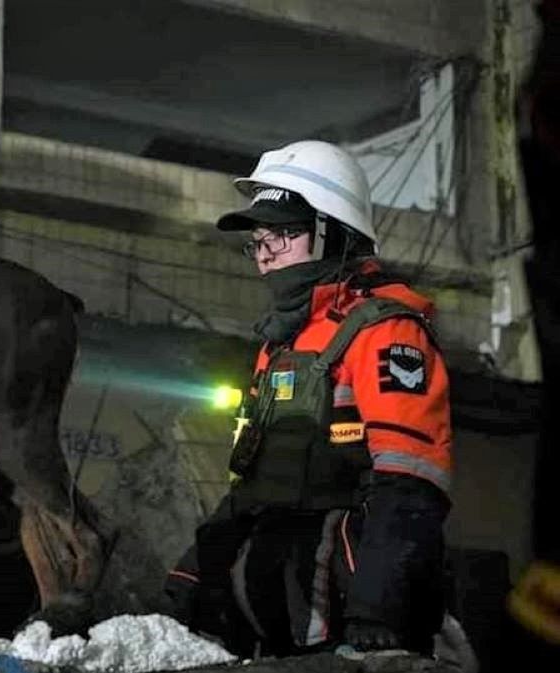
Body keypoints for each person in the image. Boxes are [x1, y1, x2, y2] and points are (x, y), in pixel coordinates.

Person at [162, 140, 453, 658]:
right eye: (259, 239)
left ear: (334, 233)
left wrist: (376, 610)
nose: (266, 252)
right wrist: (194, 574)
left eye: (283, 234)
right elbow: (251, 487)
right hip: (278, 614)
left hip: (355, 620)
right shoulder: (280, 343)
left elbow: (409, 487)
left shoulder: (386, 332)